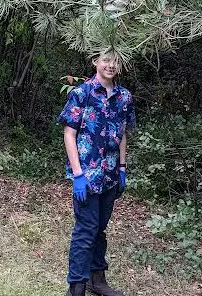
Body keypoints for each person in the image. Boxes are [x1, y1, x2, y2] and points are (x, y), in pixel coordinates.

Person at [58, 50, 135, 296]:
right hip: (88, 176)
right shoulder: (82, 93)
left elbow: (122, 134)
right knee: (86, 229)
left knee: (100, 227)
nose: (110, 65)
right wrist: (78, 175)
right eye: (105, 60)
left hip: (111, 175)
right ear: (95, 63)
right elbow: (69, 134)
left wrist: (122, 169)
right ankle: (76, 287)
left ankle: (97, 280)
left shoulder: (124, 97)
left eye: (115, 61)